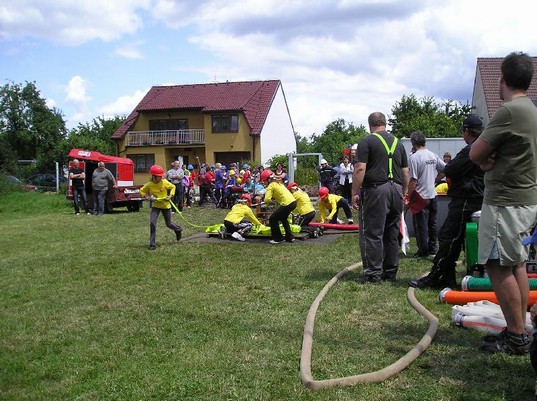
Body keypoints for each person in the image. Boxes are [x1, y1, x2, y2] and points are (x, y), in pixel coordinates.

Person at [469, 51, 537, 355]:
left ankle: (517, 337)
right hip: (525, 200)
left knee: (498, 266)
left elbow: (474, 153)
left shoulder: (508, 112)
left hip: (506, 201)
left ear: (503, 79)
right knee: (516, 263)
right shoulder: (532, 110)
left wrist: (484, 159)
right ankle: (520, 329)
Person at [409, 115, 485, 289]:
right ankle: (450, 276)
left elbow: (450, 168)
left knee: (449, 238)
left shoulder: (471, 149)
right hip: (474, 198)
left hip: (466, 199)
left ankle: (438, 275)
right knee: (456, 237)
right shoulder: (485, 147)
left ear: (467, 131)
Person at [352, 112, 409, 284]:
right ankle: (390, 272)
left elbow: (360, 169)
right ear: (385, 123)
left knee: (372, 233)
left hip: (377, 191)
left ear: (370, 125)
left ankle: (373, 274)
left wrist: (354, 192)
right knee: (391, 233)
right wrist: (404, 192)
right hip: (396, 190)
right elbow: (405, 172)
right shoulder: (398, 143)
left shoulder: (367, 142)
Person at [407, 131, 446, 257]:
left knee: (421, 225)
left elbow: (413, 180)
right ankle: (432, 249)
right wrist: (435, 180)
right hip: (433, 195)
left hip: (421, 196)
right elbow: (445, 169)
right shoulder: (433, 155)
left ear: (413, 143)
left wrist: (408, 195)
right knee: (432, 223)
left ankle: (423, 251)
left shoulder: (414, 158)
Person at [140, 164, 183, 250]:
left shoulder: (164, 182)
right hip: (156, 206)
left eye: (161, 176)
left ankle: (178, 230)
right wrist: (148, 197)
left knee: (169, 224)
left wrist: (170, 196)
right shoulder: (149, 184)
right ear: (154, 176)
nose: (161, 177)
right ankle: (152, 244)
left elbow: (173, 187)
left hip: (165, 206)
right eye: (159, 176)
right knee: (152, 223)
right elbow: (142, 190)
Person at [261, 169, 297, 244]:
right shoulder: (279, 183)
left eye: (264, 181)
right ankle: (289, 237)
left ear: (268, 180)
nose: (264, 183)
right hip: (293, 202)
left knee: (272, 219)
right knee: (283, 218)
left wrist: (267, 202)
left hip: (287, 204)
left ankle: (278, 238)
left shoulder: (271, 185)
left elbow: (267, 199)